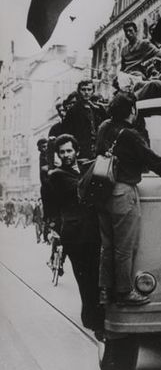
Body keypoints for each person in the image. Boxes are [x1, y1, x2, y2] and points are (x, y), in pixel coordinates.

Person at [96, 92, 161, 305]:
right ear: (132, 111)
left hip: (102, 192)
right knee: (125, 247)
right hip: (122, 191)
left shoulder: (104, 128)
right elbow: (151, 159)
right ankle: (125, 292)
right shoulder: (130, 134)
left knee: (107, 245)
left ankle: (104, 291)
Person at [48, 134, 103, 334]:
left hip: (93, 231)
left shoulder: (84, 166)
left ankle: (94, 314)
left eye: (69, 150)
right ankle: (90, 318)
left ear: (76, 151)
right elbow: (81, 188)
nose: (66, 155)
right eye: (62, 152)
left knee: (96, 274)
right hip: (75, 234)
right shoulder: (57, 175)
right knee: (85, 277)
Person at [62, 80, 107, 160]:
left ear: (93, 91)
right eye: (83, 89)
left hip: (98, 151)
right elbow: (68, 134)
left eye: (89, 89)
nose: (86, 92)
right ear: (79, 91)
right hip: (81, 152)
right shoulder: (73, 111)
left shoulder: (98, 109)